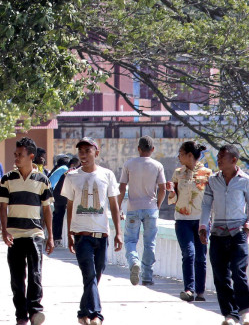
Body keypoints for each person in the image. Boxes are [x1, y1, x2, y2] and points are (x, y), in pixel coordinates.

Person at [61, 137, 123, 325]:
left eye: (88, 150)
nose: (83, 154)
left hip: (101, 234)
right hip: (82, 235)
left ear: (97, 152)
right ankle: (96, 314)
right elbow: (69, 206)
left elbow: (114, 205)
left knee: (95, 276)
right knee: (89, 274)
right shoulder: (72, 177)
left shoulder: (107, 175)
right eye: (80, 151)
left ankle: (82, 313)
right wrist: (70, 233)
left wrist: (118, 232)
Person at [0, 137, 54, 325]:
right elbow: (2, 208)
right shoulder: (7, 179)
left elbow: (47, 209)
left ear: (31, 156)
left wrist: (50, 236)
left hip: (35, 234)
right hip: (14, 235)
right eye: (15, 155)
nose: (16, 158)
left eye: (20, 155)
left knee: (35, 274)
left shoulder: (42, 180)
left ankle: (35, 311)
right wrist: (4, 231)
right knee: (17, 277)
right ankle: (21, 315)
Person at [199, 145, 249, 325]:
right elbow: (206, 205)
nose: (218, 160)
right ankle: (230, 315)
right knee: (220, 276)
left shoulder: (245, 181)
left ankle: (245, 311)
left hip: (238, 233)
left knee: (238, 272)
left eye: (222, 157)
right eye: (218, 156)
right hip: (217, 233)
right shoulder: (212, 180)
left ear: (234, 160)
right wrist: (203, 226)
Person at [118, 135, 167, 286]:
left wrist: (119, 207)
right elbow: (163, 189)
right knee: (149, 243)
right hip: (151, 208)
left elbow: (121, 187)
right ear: (152, 149)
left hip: (133, 208)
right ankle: (147, 276)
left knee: (130, 240)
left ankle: (134, 261)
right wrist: (157, 205)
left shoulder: (129, 164)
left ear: (138, 149)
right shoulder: (157, 165)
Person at [168, 140, 212, 302]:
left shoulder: (207, 173)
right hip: (182, 220)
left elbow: (210, 199)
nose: (178, 157)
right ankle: (189, 289)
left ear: (189, 155)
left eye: (180, 153)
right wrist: (171, 192)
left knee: (200, 256)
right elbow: (173, 199)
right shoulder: (177, 173)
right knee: (188, 253)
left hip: (201, 221)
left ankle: (200, 291)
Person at [48, 155, 72, 247]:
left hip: (55, 195)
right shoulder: (65, 169)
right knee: (59, 216)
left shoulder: (58, 169)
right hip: (59, 197)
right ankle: (57, 237)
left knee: (57, 216)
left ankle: (56, 236)